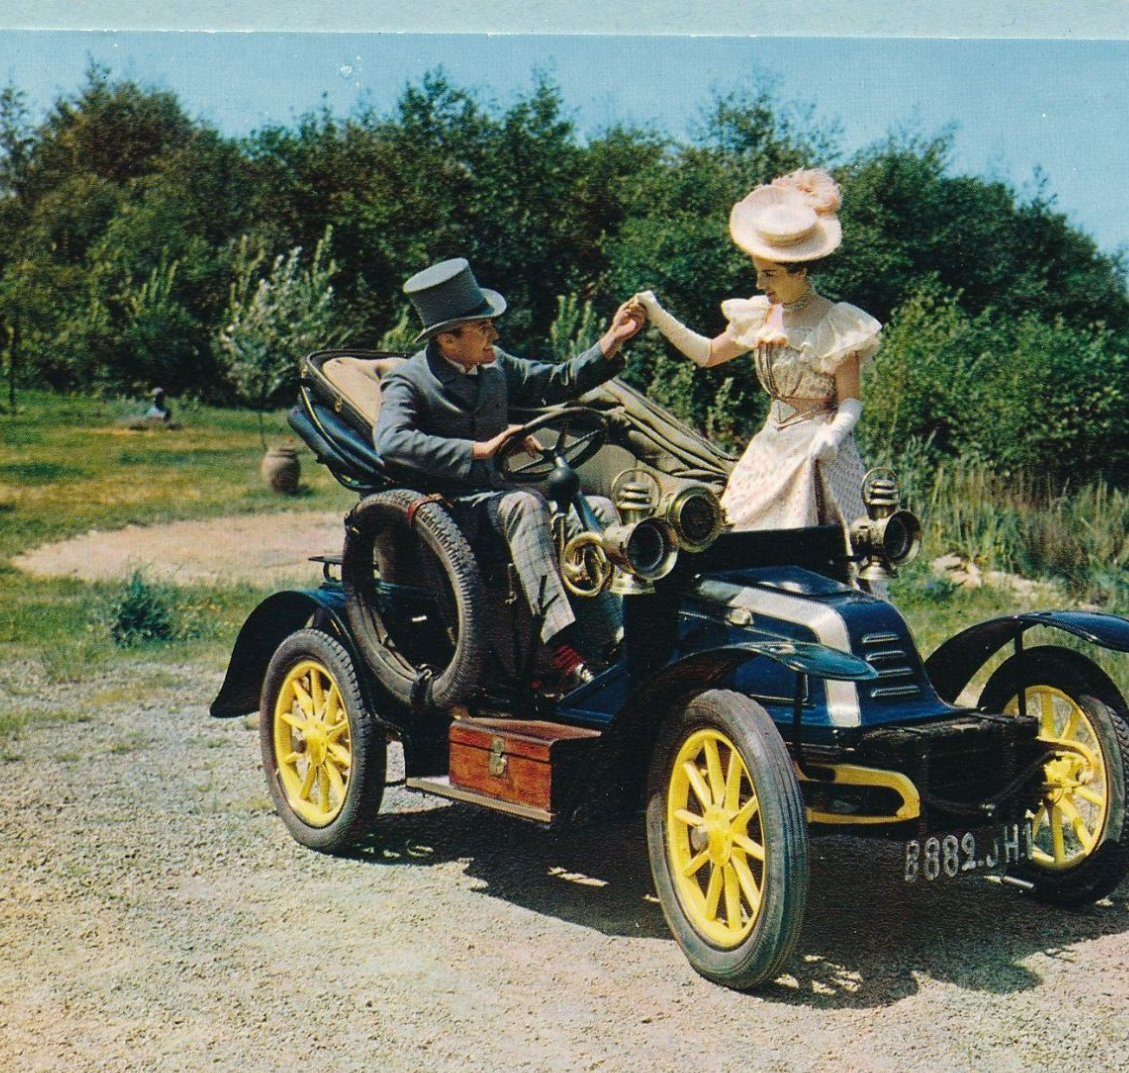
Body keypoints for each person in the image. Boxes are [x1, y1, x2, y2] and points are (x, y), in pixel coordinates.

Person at [373, 257, 644, 692]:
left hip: (498, 503)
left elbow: (557, 380)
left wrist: (611, 341)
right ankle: (563, 647)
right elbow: (390, 441)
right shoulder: (408, 382)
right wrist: (481, 449)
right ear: (447, 337)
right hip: (446, 514)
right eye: (483, 327)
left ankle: (618, 635)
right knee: (526, 502)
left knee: (596, 509)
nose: (494, 334)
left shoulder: (494, 366)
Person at [634, 168, 881, 531]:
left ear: (799, 271)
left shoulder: (837, 323)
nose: (758, 282)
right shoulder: (762, 316)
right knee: (737, 528)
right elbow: (707, 354)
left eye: (769, 274)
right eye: (759, 272)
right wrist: (657, 312)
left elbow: (851, 400)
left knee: (818, 542)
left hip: (818, 451)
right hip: (770, 446)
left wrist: (834, 433)